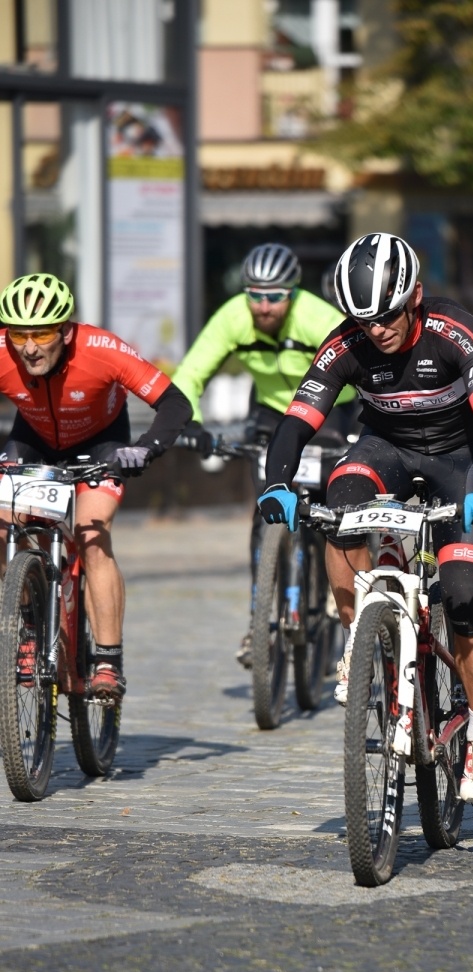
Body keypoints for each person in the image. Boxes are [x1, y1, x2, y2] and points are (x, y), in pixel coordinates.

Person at [257, 232, 473, 806]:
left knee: (467, 600)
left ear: (416, 296)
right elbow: (298, 419)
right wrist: (276, 481)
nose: (376, 329)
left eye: (388, 316)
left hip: (463, 460)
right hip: (387, 451)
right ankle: (360, 633)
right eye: (364, 318)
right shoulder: (347, 342)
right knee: (340, 503)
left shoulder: (456, 331)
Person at [0, 272, 192, 697]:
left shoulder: (100, 349)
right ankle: (29, 622)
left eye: (43, 333)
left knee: (92, 534)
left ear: (66, 331)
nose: (29, 347)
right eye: (18, 333)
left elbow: (175, 402)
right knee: (2, 524)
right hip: (31, 441)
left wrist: (146, 448)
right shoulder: (2, 352)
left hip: (100, 443)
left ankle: (107, 659)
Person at [172, 242, 358, 668]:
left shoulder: (316, 317)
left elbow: (366, 363)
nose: (264, 306)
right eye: (255, 294)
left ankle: (339, 583)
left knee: (336, 501)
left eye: (275, 296)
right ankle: (261, 621)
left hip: (331, 407)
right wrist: (193, 423)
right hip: (273, 410)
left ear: (292, 294)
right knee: (265, 509)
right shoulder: (234, 316)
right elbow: (192, 372)